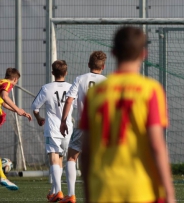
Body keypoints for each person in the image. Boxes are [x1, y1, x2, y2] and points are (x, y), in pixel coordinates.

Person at [80, 26, 176, 203]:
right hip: (141, 188)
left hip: (103, 188)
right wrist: (169, 193)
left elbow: (85, 151)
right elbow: (156, 145)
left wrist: (88, 194)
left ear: (114, 52)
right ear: (144, 54)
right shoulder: (151, 90)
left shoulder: (95, 94)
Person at [59, 51, 107, 203]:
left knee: (72, 157)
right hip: (100, 126)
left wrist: (63, 121)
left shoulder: (80, 79)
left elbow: (69, 101)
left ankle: (71, 195)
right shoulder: (107, 82)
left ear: (88, 65)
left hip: (83, 126)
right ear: (103, 67)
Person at [31, 60, 74, 202]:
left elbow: (35, 107)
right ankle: (55, 191)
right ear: (66, 73)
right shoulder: (72, 87)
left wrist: (38, 118)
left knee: (54, 159)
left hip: (53, 129)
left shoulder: (46, 88)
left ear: (52, 73)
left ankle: (59, 192)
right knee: (61, 158)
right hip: (68, 129)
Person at [0, 68, 32, 190]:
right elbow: (4, 96)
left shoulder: (1, 82)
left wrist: (19, 111)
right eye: (16, 82)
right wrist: (18, 109)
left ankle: (2, 176)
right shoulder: (8, 83)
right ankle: (2, 177)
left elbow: (2, 102)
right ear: (14, 79)